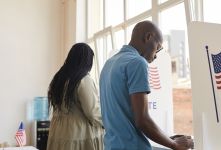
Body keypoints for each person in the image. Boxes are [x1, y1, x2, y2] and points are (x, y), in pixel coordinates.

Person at [99, 21, 194, 150]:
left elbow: (123, 117)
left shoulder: (109, 64)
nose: (155, 56)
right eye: (158, 48)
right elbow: (142, 120)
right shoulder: (137, 62)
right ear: (148, 37)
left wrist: (166, 138)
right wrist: (174, 144)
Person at [47, 43, 104, 150]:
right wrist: (107, 123)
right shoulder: (83, 79)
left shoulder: (59, 79)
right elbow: (92, 112)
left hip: (59, 133)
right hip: (78, 135)